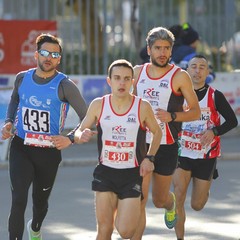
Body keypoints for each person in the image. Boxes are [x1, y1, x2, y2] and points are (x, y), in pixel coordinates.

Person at [1, 33, 87, 240]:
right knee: (18, 199)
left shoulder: (65, 85)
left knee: (40, 203)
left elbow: (88, 118)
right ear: (36, 54)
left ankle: (36, 227)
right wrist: (8, 121)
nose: (49, 57)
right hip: (21, 147)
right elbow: (14, 100)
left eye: (54, 54)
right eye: (45, 52)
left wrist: (71, 138)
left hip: (48, 153)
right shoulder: (22, 78)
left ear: (59, 59)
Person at [73, 59, 162, 240]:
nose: (122, 83)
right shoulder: (99, 104)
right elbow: (80, 129)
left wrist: (149, 158)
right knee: (104, 230)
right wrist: (79, 136)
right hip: (105, 172)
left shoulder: (142, 106)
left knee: (126, 231)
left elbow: (157, 132)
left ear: (132, 82)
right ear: (109, 81)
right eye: (117, 78)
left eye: (126, 79)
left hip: (131, 174)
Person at [132, 26, 201, 239]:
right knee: (140, 200)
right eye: (158, 48)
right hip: (141, 144)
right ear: (149, 49)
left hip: (167, 145)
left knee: (158, 200)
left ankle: (169, 203)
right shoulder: (136, 72)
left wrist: (172, 116)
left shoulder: (179, 76)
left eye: (166, 48)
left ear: (171, 51)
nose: (162, 53)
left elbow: (196, 111)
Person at [173, 55, 238, 240]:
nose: (197, 70)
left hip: (206, 154)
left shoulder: (215, 96)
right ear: (187, 70)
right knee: (178, 196)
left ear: (207, 72)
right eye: (194, 66)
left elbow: (232, 121)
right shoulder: (178, 95)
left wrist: (214, 132)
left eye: (202, 67)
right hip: (181, 152)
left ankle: (206, 183)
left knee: (197, 205)